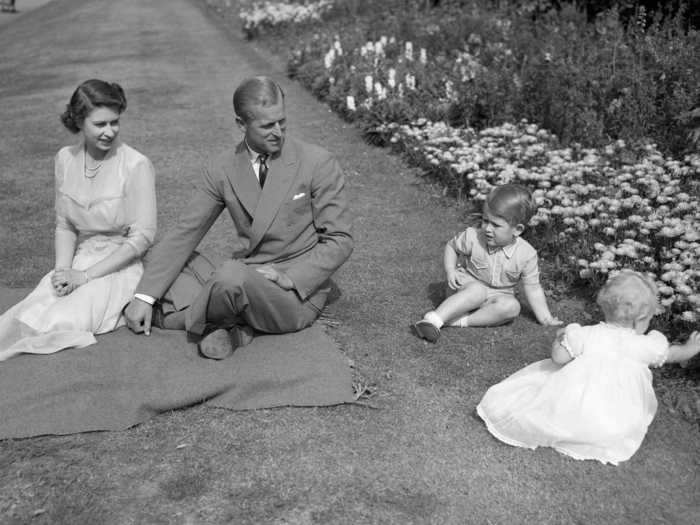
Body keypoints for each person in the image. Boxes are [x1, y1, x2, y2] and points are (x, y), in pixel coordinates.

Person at [124, 76, 353, 360]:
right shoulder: (222, 168)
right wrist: (144, 296)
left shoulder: (318, 162)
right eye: (267, 125)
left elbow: (340, 240)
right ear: (241, 125)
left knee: (229, 276)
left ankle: (176, 319)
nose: (278, 132)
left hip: (294, 293)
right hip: (249, 274)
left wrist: (292, 278)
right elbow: (186, 232)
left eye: (282, 121)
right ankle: (227, 322)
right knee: (160, 253)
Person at [0, 79, 157, 361]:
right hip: (81, 260)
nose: (110, 131)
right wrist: (62, 272)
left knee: (62, 322)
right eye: (100, 124)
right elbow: (65, 224)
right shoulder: (65, 159)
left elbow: (142, 238)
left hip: (119, 267)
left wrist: (83, 277)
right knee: (27, 315)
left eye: (115, 122)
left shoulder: (136, 164)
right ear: (79, 121)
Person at [476, 270, 700, 465]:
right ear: (641, 317)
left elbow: (558, 358)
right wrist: (690, 349)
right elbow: (670, 354)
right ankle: (597, 435)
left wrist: (560, 338)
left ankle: (566, 425)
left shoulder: (585, 334)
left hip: (573, 405)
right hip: (613, 420)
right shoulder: (644, 346)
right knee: (616, 424)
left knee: (540, 391)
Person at [413, 184, 560, 342]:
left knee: (512, 307)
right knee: (478, 291)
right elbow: (452, 246)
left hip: (496, 296)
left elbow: (533, 289)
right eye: (485, 220)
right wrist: (451, 270)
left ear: (517, 230)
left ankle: (457, 321)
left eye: (496, 225)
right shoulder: (473, 237)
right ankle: (434, 319)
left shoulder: (526, 254)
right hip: (465, 287)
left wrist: (546, 318)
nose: (487, 228)